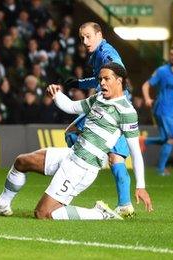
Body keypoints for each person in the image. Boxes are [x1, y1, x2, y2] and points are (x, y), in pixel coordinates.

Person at [0, 62, 153, 220]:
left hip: (84, 167)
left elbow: (135, 152)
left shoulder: (126, 111)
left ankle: (99, 213)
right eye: (100, 79)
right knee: (22, 161)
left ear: (119, 80)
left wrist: (141, 186)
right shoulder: (98, 98)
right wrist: (56, 94)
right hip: (71, 154)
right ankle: (2, 205)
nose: (102, 83)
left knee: (43, 213)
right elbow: (71, 107)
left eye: (107, 79)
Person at [61, 22, 134, 217]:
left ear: (99, 34)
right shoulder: (98, 53)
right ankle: (125, 204)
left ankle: (91, 160)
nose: (85, 41)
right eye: (82, 38)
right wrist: (79, 82)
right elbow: (103, 77)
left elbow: (116, 70)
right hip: (119, 105)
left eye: (88, 36)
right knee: (116, 156)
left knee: (71, 133)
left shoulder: (106, 53)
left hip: (110, 106)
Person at [141, 46, 173, 176]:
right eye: (172, 54)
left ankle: (143, 141)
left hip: (171, 111)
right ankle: (160, 169)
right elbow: (146, 85)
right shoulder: (162, 71)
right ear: (169, 56)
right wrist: (147, 98)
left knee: (165, 139)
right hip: (163, 109)